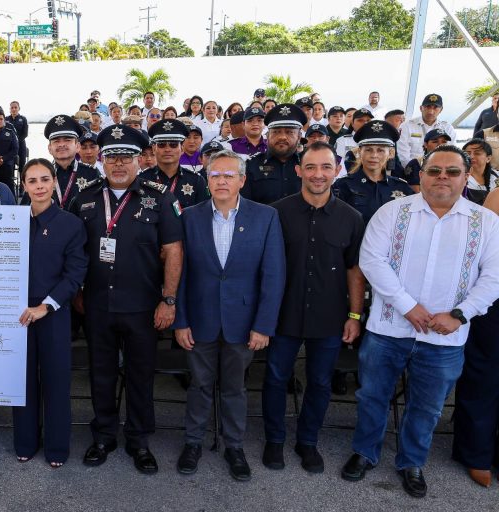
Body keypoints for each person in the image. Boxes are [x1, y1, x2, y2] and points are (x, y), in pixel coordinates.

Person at [342, 145, 499, 499]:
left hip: (446, 336)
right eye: (434, 170)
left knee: (427, 407)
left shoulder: (487, 222)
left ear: (466, 176)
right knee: (372, 396)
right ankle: (365, 452)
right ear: (422, 174)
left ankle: (411, 462)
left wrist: (460, 314)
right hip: (388, 329)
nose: (442, 177)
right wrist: (408, 306)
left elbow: (494, 277)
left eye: (452, 172)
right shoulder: (392, 212)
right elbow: (372, 261)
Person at [70, 124, 183, 475]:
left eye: (126, 157)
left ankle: (139, 440)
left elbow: (173, 250)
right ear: (101, 161)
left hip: (143, 307)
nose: (118, 164)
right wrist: (76, 293)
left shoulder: (159, 198)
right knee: (101, 373)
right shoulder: (84, 199)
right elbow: (72, 252)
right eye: (112, 157)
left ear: (139, 160)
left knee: (140, 375)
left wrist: (168, 300)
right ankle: (104, 435)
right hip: (97, 305)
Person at [173, 149, 286, 482]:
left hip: (244, 321)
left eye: (228, 175)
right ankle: (193, 442)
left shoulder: (265, 217)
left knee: (235, 388)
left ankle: (234, 446)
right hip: (200, 320)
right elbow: (180, 275)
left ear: (242, 180)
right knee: (199, 385)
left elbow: (273, 275)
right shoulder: (189, 217)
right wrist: (181, 320)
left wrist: (264, 325)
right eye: (215, 175)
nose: (221, 181)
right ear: (206, 180)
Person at [263, 141, 365, 474]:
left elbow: (354, 270)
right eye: (310, 167)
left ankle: (307, 441)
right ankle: (274, 439)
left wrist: (354, 315)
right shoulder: (276, 213)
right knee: (276, 377)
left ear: (337, 171)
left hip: (329, 315)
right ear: (298, 171)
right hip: (283, 312)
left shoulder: (351, 218)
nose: (317, 174)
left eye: (325, 167)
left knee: (320, 382)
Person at [13, 159, 88, 468]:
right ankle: (25, 441)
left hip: (53, 311)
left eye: (45, 179)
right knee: (22, 381)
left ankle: (57, 446)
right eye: (32, 181)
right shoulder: (11, 220)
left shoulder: (71, 224)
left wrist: (46, 306)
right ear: (24, 185)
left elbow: (75, 273)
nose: (39, 186)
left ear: (54, 182)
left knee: (56, 380)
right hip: (17, 313)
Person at [454, 185, 499, 487]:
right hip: (494, 295)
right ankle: (476, 452)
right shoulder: (498, 195)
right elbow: (485, 246)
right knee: (484, 375)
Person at [333, 120, 414, 225]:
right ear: (359, 152)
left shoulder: (402, 187)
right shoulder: (343, 186)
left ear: (391, 153)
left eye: (380, 150)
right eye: (368, 150)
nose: (374, 155)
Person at [242, 105, 306, 204]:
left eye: (289, 132)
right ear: (267, 136)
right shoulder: (251, 166)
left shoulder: (308, 164)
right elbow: (245, 205)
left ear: (299, 137)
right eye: (276, 132)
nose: (282, 137)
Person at [139, 119, 208, 209]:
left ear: (182, 149)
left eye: (173, 145)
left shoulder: (197, 181)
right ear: (154, 149)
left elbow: (203, 213)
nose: (167, 149)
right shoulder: (141, 180)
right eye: (161, 145)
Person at [397, 94, 455, 165]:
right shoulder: (407, 126)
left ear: (441, 110)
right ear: (421, 108)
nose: (431, 112)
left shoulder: (447, 128)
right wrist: (415, 169)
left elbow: (452, 153)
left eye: (435, 108)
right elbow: (403, 156)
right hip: (412, 168)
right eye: (428, 107)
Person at [396, 129, 450, 193]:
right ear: (425, 144)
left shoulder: (453, 164)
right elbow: (416, 193)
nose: (440, 145)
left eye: (444, 142)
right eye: (435, 141)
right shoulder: (416, 164)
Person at [463, 138, 499, 205]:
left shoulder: (496, 176)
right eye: (468, 153)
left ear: (488, 158)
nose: (471, 156)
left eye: (477, 153)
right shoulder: (459, 178)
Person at [8, 101, 29, 171]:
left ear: (19, 108)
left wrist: (16, 141)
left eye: (15, 107)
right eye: (12, 108)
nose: (14, 109)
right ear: (10, 109)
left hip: (21, 144)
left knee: (22, 164)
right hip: (9, 145)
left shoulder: (23, 119)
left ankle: (22, 177)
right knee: (10, 164)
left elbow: (25, 133)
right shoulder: (6, 119)